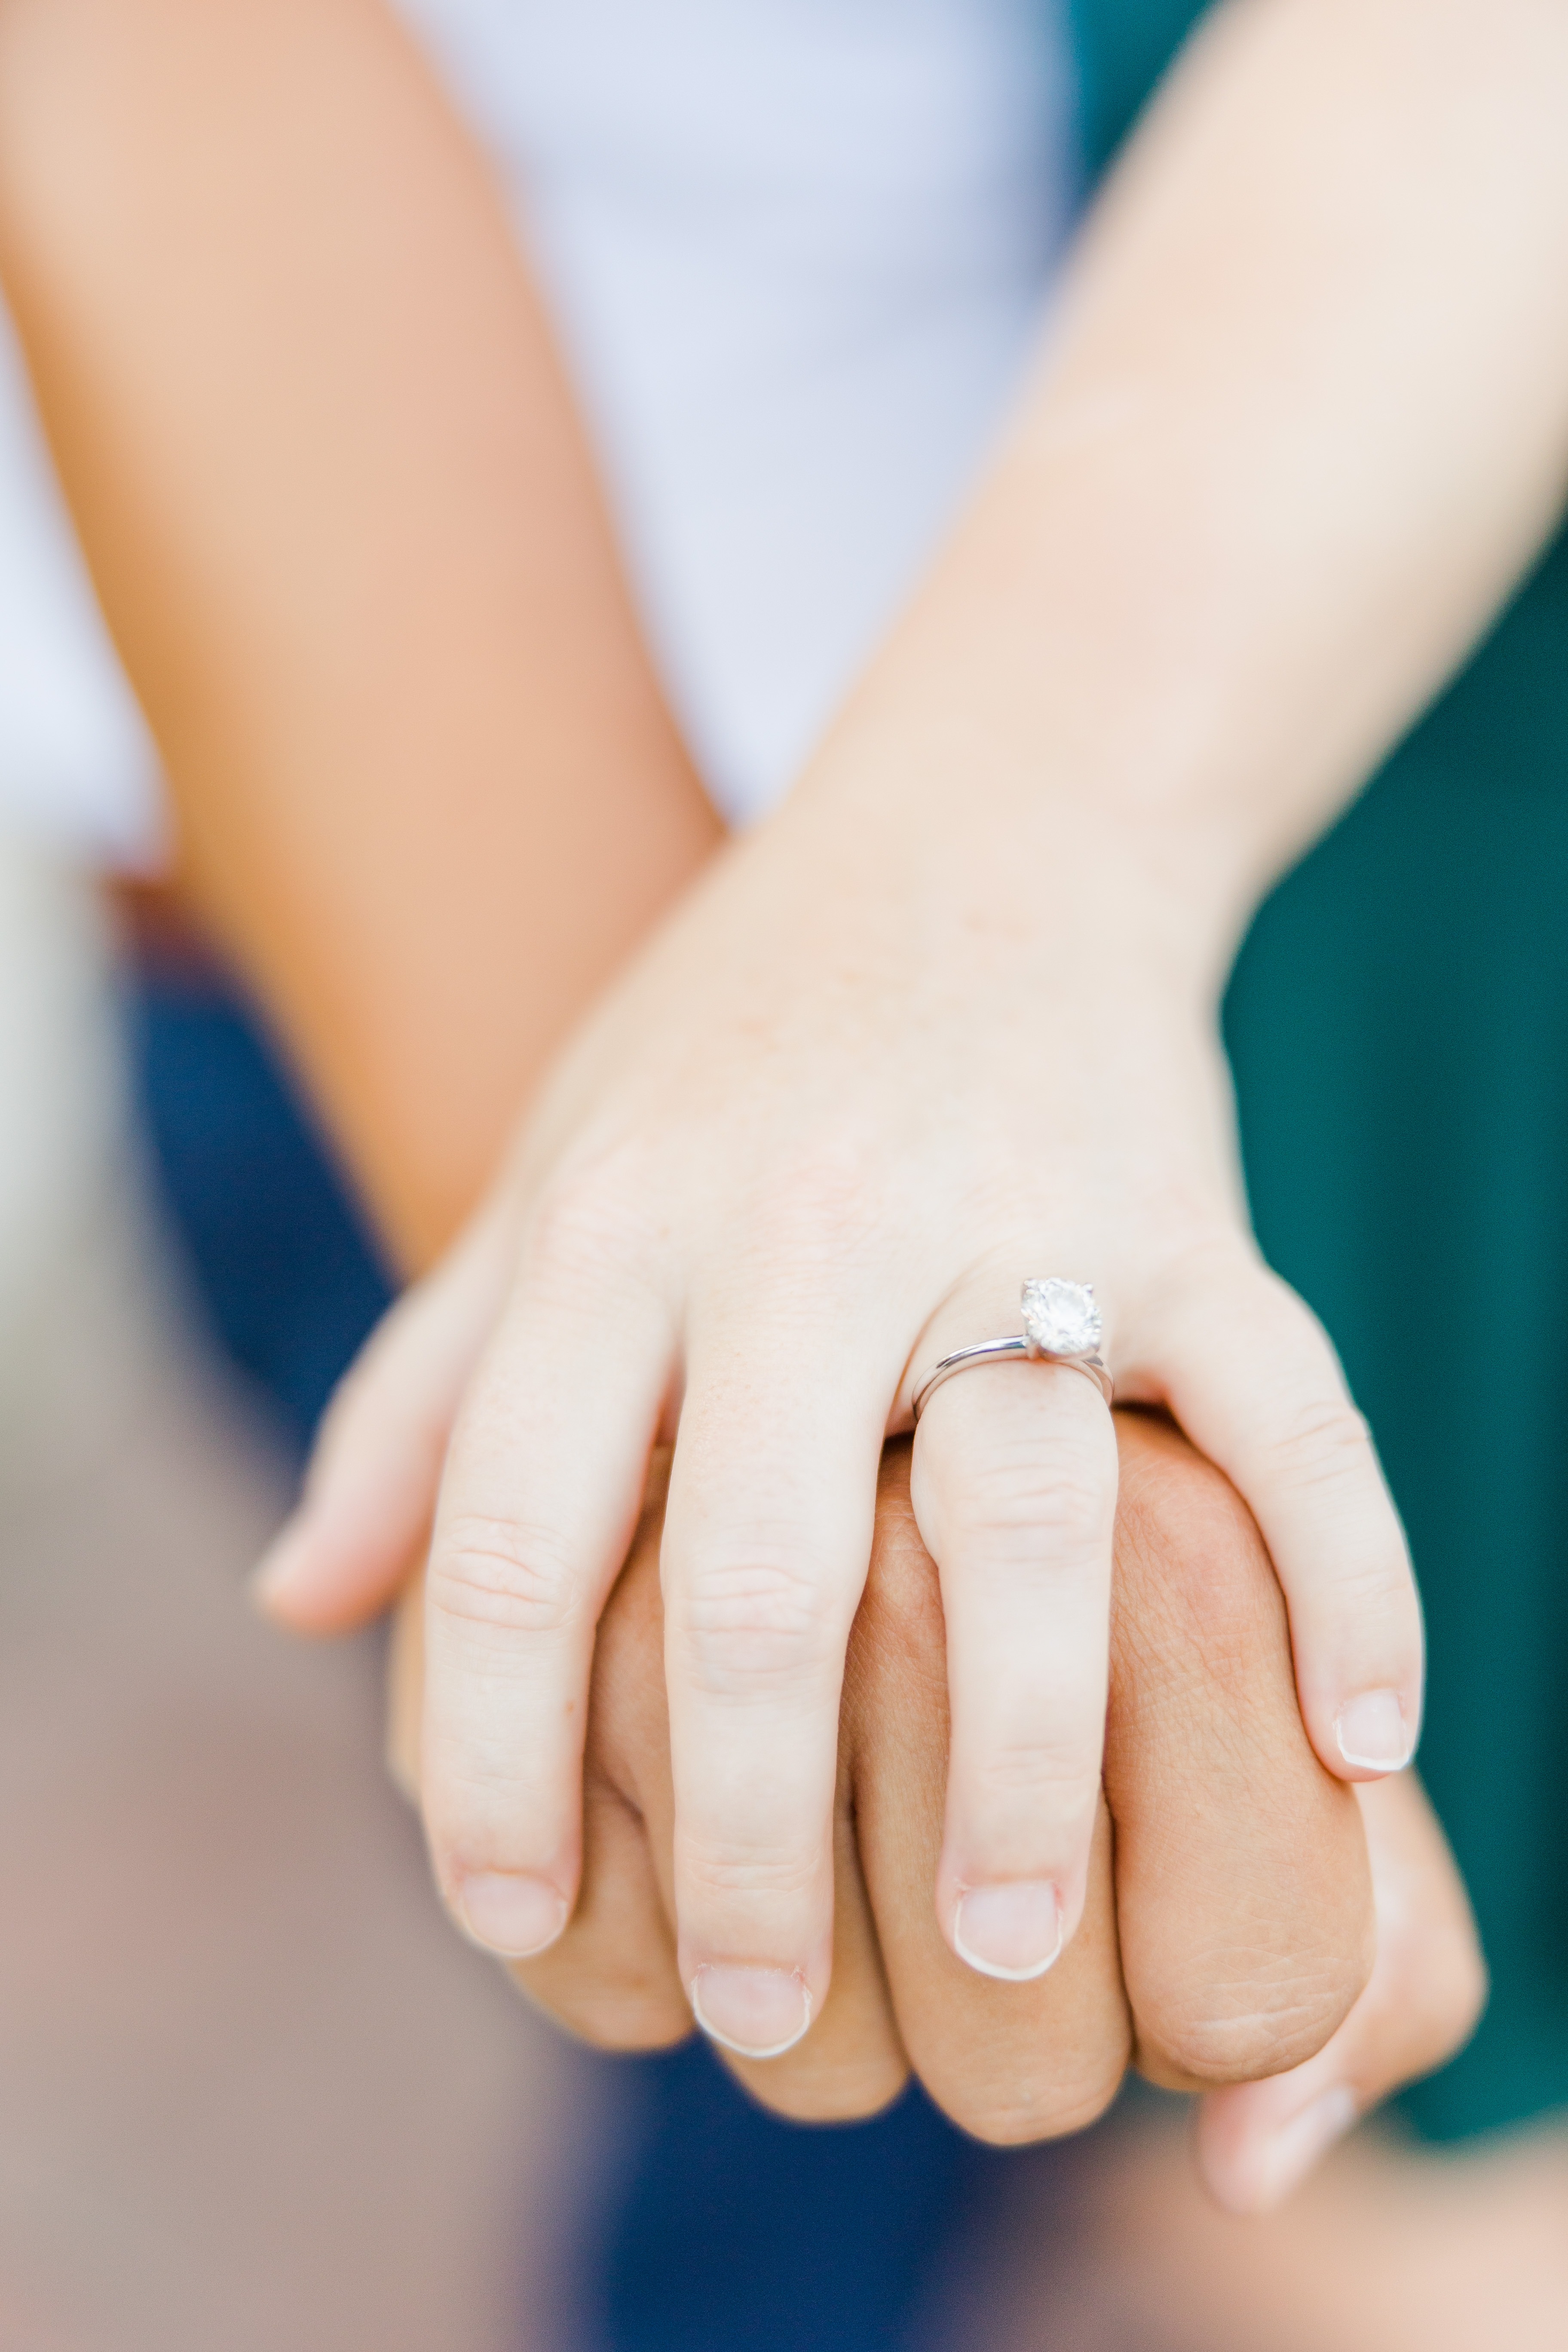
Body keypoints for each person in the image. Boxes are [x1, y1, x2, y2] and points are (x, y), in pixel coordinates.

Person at [0, 0, 1561, 2339]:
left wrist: (1003, 860)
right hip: (443, 838)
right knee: (812, 1980)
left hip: (1322, 707)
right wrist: (720, 1327)